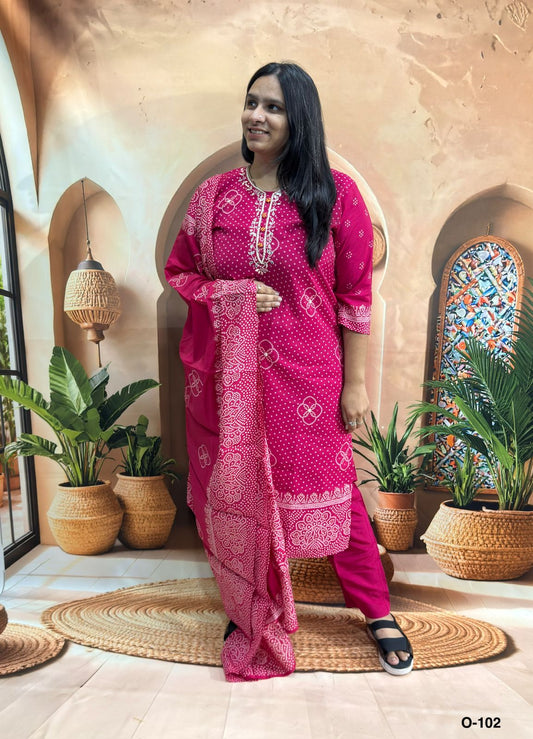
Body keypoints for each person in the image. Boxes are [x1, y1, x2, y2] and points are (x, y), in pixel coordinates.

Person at [165, 61, 413, 682]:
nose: (256, 116)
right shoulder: (213, 197)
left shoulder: (336, 195)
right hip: (231, 378)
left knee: (336, 495)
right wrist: (229, 295)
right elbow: (181, 273)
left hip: (309, 377)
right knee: (236, 491)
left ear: (299, 118)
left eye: (273, 107)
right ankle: (249, 605)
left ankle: (377, 611)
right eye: (252, 102)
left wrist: (355, 383)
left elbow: (355, 299)